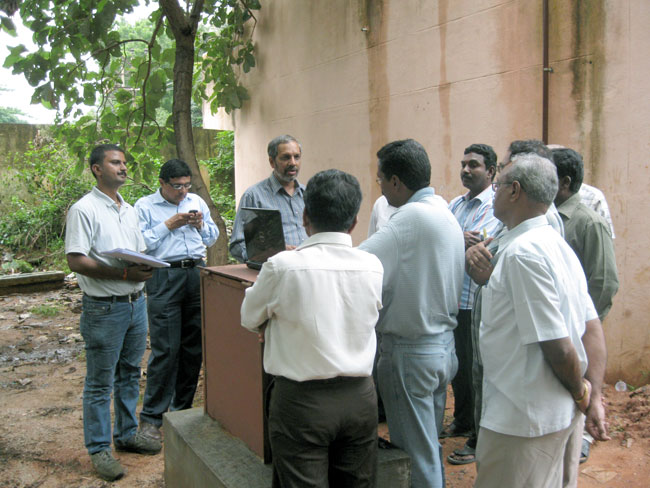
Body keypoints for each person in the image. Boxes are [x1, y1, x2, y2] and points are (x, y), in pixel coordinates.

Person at [474, 153, 609, 488]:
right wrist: (591, 397)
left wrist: (582, 393)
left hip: (524, 422)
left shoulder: (523, 254)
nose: (493, 193)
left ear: (515, 191)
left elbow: (558, 346)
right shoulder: (556, 247)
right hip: (554, 416)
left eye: (498, 185)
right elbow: (591, 328)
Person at [241, 169, 383, 488]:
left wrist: (273, 321)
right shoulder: (372, 265)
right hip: (359, 398)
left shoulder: (281, 266)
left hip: (300, 403)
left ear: (305, 217)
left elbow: (249, 317)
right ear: (354, 222)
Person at [359, 139, 465, 488]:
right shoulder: (444, 211)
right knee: (428, 446)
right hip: (442, 348)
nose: (379, 187)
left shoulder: (409, 218)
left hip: (411, 353)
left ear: (395, 182)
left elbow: (358, 263)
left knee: (415, 456)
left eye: (380, 179)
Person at [65, 144, 161, 482]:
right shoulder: (84, 209)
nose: (123, 168)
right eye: (115, 162)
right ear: (96, 169)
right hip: (104, 308)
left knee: (130, 373)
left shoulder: (129, 209)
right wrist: (122, 273)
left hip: (136, 304)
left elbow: (137, 252)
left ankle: (126, 434)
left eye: (124, 163)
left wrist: (143, 268)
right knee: (99, 382)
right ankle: (99, 449)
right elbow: (76, 260)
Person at [134, 159, 219, 441]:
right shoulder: (145, 207)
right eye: (176, 186)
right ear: (162, 183)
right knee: (166, 350)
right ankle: (151, 418)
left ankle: (181, 411)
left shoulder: (196, 202)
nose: (183, 192)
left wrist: (200, 224)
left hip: (195, 273)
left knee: (193, 348)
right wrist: (169, 224)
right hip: (163, 275)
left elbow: (212, 238)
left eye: (186, 185)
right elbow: (140, 244)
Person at [551, 147, 620, 466]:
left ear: (564, 183)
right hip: (557, 323)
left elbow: (604, 281)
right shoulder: (549, 218)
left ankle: (584, 435)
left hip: (580, 325)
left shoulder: (588, 222)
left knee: (584, 381)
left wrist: (586, 323)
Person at [443, 144, 500, 464]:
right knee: (459, 368)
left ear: (490, 171)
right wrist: (457, 239)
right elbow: (449, 242)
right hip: (454, 300)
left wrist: (454, 239)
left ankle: (479, 437)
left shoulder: (494, 205)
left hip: (477, 301)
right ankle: (463, 420)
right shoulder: (455, 203)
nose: (465, 170)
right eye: (463, 164)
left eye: (474, 165)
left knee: (478, 371)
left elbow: (482, 246)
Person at [229, 135, 308, 262]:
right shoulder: (254, 196)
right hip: (275, 269)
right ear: (272, 162)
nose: (293, 163)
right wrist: (273, 252)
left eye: (296, 157)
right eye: (286, 157)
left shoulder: (309, 194)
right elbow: (237, 246)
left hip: (310, 268)